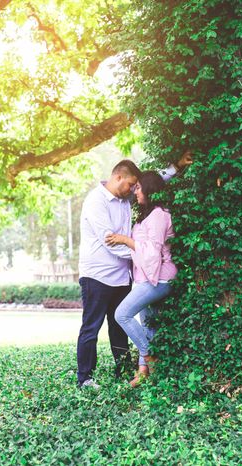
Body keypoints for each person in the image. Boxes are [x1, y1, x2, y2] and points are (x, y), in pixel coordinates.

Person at [105, 170, 177, 387]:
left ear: (149, 190)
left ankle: (149, 357)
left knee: (122, 314)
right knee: (148, 326)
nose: (135, 191)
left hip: (160, 279)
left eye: (139, 188)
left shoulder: (159, 216)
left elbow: (152, 253)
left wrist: (125, 241)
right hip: (146, 277)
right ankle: (144, 372)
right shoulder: (147, 215)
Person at [76, 159, 142, 389]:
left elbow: (152, 183)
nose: (133, 190)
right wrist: (143, 254)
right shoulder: (96, 201)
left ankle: (123, 371)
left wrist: (176, 167)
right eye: (131, 184)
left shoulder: (125, 197)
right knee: (91, 327)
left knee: (119, 326)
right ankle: (85, 378)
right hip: (97, 276)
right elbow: (110, 243)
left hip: (122, 276)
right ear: (118, 178)